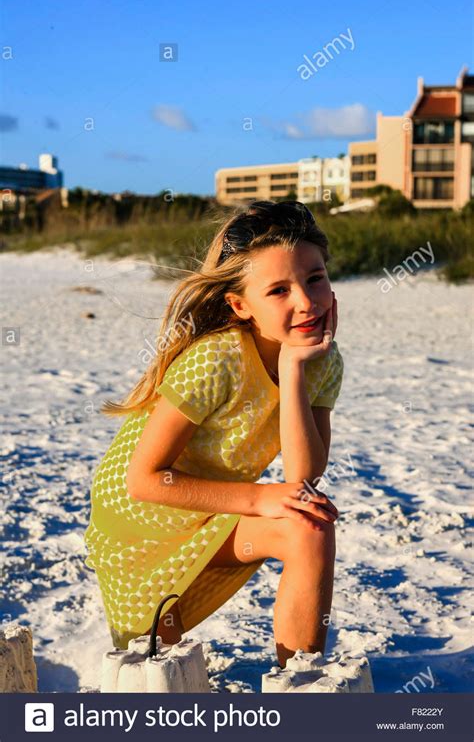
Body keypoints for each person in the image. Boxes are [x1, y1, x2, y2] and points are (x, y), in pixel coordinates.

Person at [83, 199, 344, 669]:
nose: (305, 301)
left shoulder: (321, 361)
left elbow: (305, 475)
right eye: (279, 290)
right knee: (156, 659)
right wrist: (259, 498)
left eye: (315, 278)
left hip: (218, 508)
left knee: (310, 526)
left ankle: (300, 686)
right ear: (240, 305)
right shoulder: (216, 359)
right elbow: (142, 480)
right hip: (143, 516)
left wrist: (293, 368)